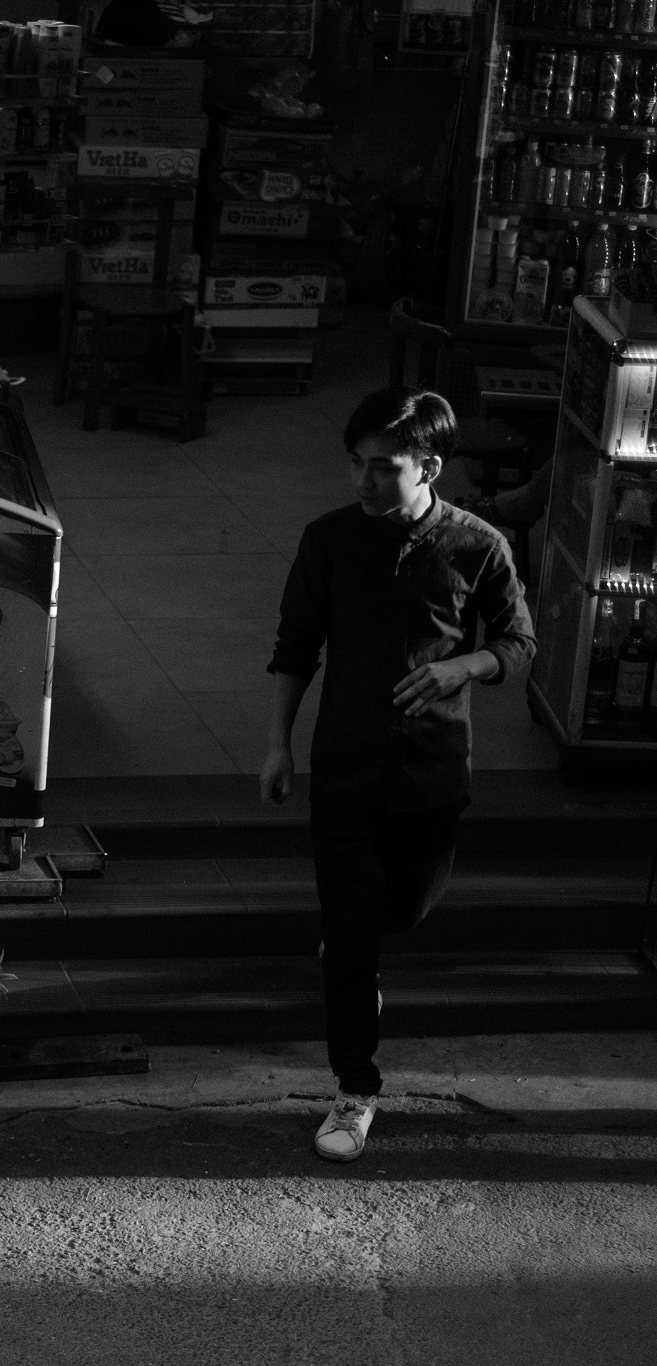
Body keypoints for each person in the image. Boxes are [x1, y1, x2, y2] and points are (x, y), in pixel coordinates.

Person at [260, 386, 535, 1163]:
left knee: (406, 909)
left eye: (384, 468)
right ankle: (354, 1091)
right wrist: (278, 746)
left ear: (430, 468)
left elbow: (518, 642)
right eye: (356, 465)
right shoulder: (330, 541)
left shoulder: (478, 545)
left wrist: (464, 668)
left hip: (432, 771)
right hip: (344, 766)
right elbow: (295, 646)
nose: (364, 482)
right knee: (351, 939)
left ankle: (355, 952)